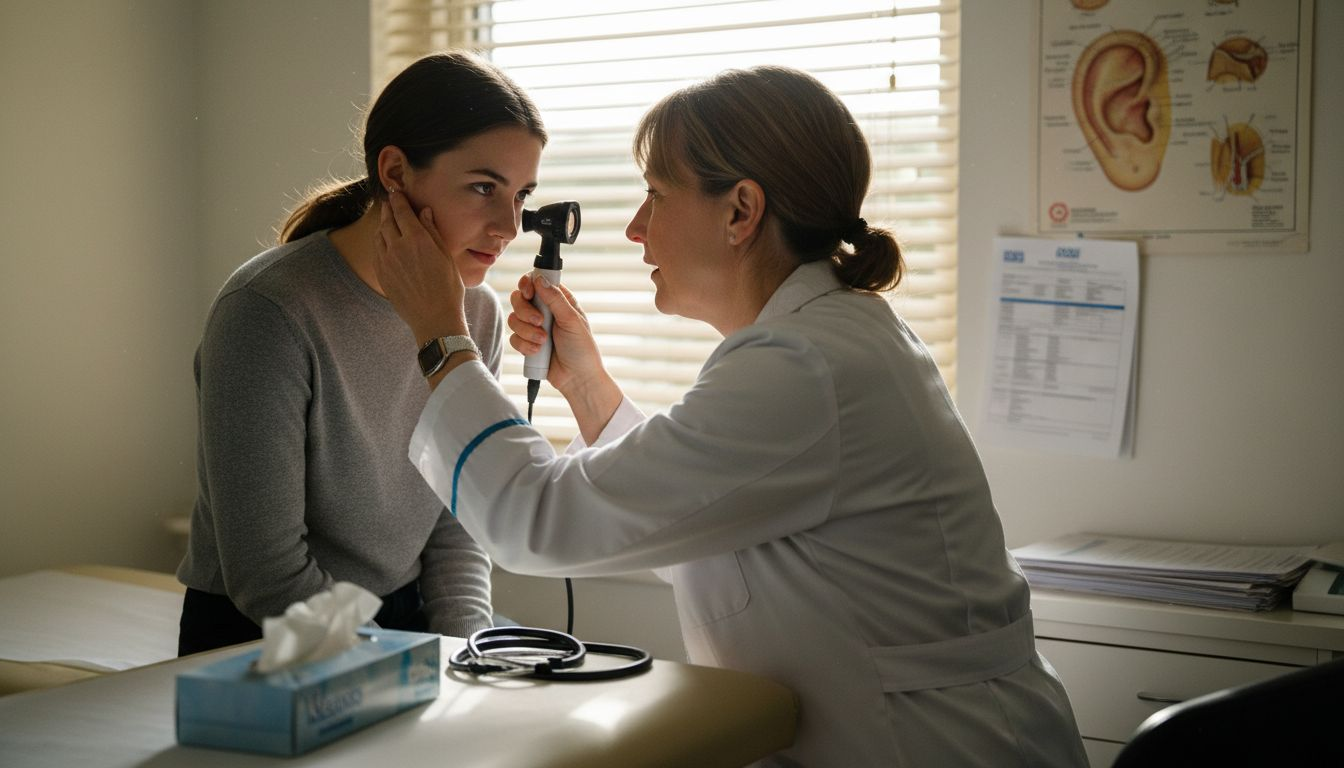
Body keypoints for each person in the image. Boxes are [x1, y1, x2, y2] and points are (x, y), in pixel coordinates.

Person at [374, 66, 1087, 766]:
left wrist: (441, 336)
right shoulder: (832, 337)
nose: (634, 228)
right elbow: (697, 519)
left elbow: (535, 522)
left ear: (741, 211)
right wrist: (587, 387)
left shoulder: (803, 367)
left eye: (656, 195)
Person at [175, 52, 546, 656]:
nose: (509, 225)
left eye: (522, 194)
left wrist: (470, 650)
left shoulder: (473, 313)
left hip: (403, 621)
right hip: (264, 634)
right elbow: (266, 573)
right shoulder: (268, 311)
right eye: (483, 187)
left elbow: (457, 524)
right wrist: (393, 663)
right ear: (395, 172)